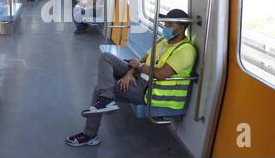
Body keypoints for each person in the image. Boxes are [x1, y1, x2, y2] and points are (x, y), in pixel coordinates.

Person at [65, 9, 197, 147]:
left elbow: (160, 74)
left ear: (181, 28)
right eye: (165, 24)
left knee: (99, 88)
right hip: (140, 76)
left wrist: (138, 67)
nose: (165, 28)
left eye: (170, 25)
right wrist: (130, 73)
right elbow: (142, 60)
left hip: (152, 90)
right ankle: (106, 99)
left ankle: (90, 134)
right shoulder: (163, 41)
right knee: (106, 58)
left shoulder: (185, 51)